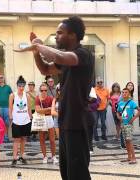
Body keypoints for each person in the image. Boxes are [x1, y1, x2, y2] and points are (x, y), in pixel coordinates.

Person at [15, 16, 94, 180]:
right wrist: (36, 52)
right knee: (67, 171)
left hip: (78, 121)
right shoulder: (65, 56)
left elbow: (60, 57)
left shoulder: (83, 54)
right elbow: (45, 69)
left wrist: (39, 45)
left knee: (78, 172)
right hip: (66, 121)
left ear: (72, 35)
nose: (56, 36)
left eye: (59, 33)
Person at [9, 76, 33, 167]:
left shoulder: (27, 95)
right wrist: (11, 119)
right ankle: (14, 158)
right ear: (17, 86)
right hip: (16, 121)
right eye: (20, 86)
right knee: (16, 140)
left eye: (23, 86)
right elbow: (10, 108)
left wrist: (30, 119)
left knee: (24, 139)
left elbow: (29, 108)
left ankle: (22, 156)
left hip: (26, 120)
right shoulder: (12, 95)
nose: (21, 88)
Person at [117, 88, 140, 164]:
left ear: (129, 94)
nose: (124, 94)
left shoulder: (132, 102)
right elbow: (117, 112)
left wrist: (133, 118)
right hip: (123, 124)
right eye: (123, 92)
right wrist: (119, 117)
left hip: (128, 124)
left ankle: (134, 158)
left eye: (126, 92)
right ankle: (129, 157)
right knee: (126, 141)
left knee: (129, 140)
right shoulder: (120, 103)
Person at [35, 83, 58, 164]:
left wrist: (44, 110)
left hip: (49, 118)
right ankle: (44, 156)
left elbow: (53, 109)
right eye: (42, 90)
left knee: (52, 140)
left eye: (45, 90)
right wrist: (48, 109)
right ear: (40, 91)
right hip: (41, 119)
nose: (44, 91)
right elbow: (37, 110)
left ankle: (53, 156)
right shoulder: (38, 98)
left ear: (47, 90)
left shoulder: (51, 98)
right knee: (42, 139)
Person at [0, 74, 13, 142]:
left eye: (1, 78)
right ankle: (1, 137)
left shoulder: (8, 87)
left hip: (7, 107)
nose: (0, 79)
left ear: (3, 78)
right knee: (0, 123)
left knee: (7, 123)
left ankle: (6, 136)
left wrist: (12, 107)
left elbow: (12, 97)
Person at [87, 87, 100, 154]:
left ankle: (90, 148)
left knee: (90, 131)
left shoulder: (91, 89)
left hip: (90, 112)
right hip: (81, 114)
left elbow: (95, 100)